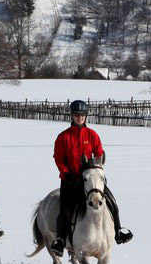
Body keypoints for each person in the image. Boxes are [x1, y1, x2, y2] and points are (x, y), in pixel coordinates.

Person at [50, 100, 132, 254]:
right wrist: (66, 174)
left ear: (86, 116)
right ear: (72, 116)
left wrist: (96, 165)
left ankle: (118, 231)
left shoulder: (92, 135)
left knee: (112, 201)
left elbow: (99, 152)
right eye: (76, 115)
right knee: (65, 208)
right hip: (70, 180)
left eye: (82, 115)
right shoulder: (63, 137)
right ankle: (60, 239)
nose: (79, 118)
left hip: (90, 179)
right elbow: (58, 158)